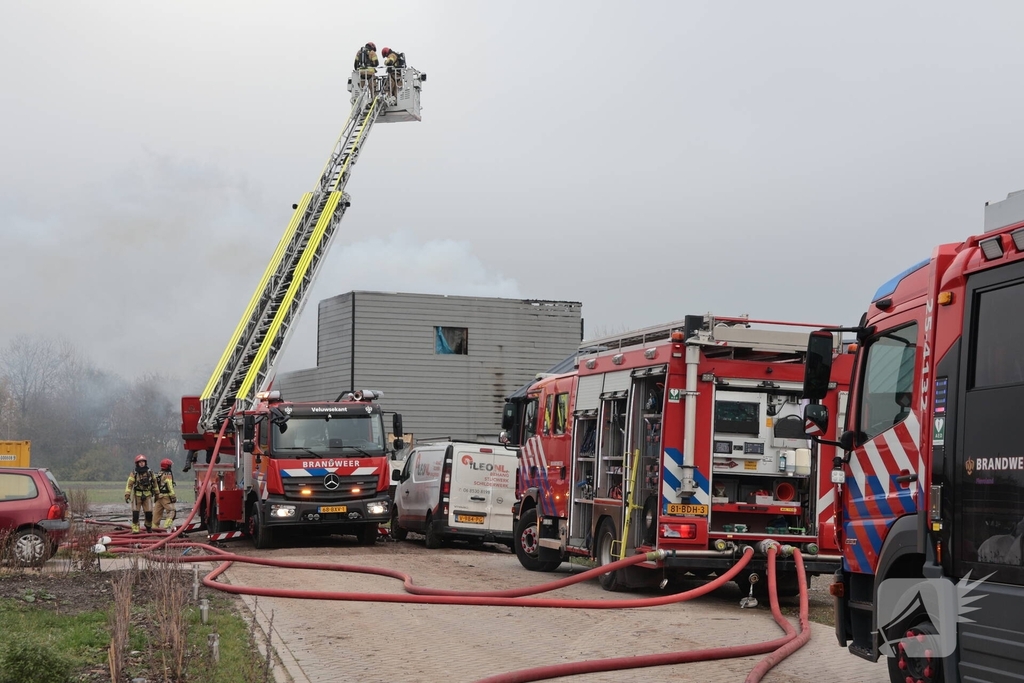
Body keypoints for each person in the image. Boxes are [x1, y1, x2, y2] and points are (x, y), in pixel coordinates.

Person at [124, 454, 158, 533]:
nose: (142, 463)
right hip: (137, 496)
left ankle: (148, 525)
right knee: (135, 513)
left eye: (143, 462)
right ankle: (135, 528)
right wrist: (127, 494)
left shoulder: (150, 472)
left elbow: (155, 483)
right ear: (137, 463)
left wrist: (157, 493)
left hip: (148, 495)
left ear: (145, 463)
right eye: (140, 462)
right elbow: (129, 484)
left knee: (149, 513)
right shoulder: (134, 473)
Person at [153, 458, 178, 530]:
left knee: (156, 514)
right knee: (172, 511)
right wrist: (173, 496)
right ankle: (166, 528)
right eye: (170, 466)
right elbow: (169, 486)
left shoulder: (159, 474)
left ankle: (154, 529)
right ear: (168, 466)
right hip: (166, 497)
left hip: (158, 497)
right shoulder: (168, 474)